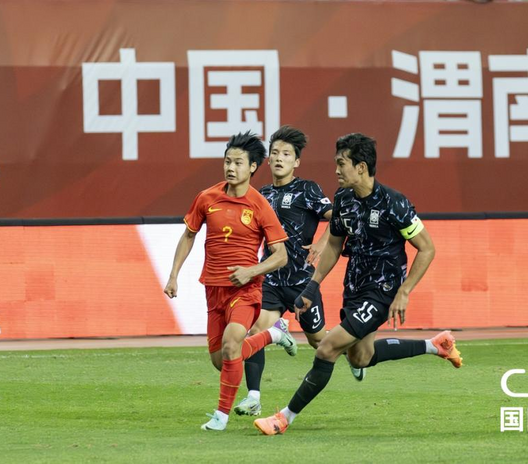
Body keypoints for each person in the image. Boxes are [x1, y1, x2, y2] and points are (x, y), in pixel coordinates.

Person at [254, 133, 460, 436]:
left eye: (342, 164)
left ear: (361, 167)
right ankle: (436, 345)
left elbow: (427, 248)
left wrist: (403, 292)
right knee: (360, 356)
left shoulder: (394, 203)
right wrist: (312, 287)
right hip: (355, 288)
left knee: (326, 349)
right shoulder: (344, 199)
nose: (336, 170)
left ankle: (284, 418)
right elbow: (335, 245)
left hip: (383, 291)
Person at [163, 131, 297, 432]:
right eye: (227, 161)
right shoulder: (207, 197)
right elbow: (189, 235)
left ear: (252, 167)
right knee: (221, 360)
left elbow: (281, 256)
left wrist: (251, 271)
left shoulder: (260, 205)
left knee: (232, 343)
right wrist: (173, 275)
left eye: (238, 162)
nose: (230, 167)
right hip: (214, 289)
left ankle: (220, 417)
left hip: (246, 290)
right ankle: (273, 335)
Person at [231, 126, 341, 417]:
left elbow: (337, 218)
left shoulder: (308, 190)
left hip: (303, 283)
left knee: (320, 342)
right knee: (255, 330)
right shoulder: (261, 194)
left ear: (297, 162)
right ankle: (253, 396)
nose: (280, 158)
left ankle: (353, 353)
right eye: (276, 153)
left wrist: (320, 242)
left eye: (287, 154)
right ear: (268, 160)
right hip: (271, 281)